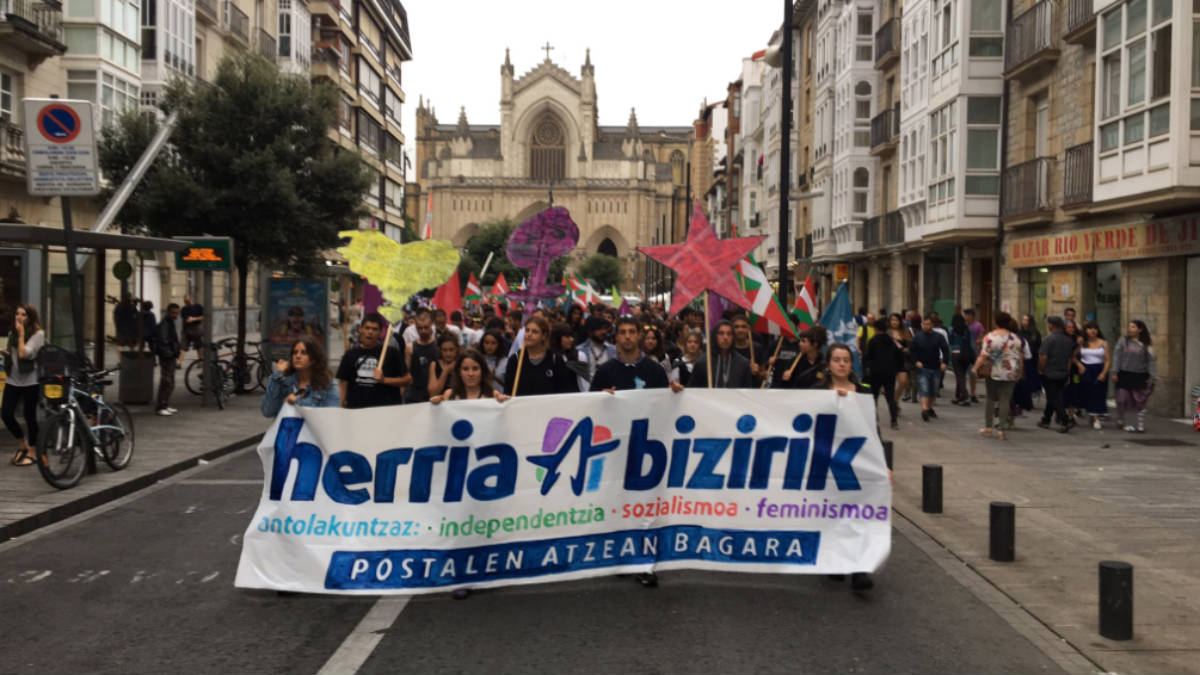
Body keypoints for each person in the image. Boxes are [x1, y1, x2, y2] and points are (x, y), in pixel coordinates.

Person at [821, 342, 877, 592]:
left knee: (859, 514)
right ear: (829, 364)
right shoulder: (817, 391)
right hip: (828, 460)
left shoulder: (864, 391)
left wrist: (883, 464)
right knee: (834, 513)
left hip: (859, 460)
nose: (842, 363)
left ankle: (860, 569)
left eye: (846, 359)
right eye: (836, 359)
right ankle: (834, 559)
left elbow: (874, 430)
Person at [335, 312, 411, 409]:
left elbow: (408, 380)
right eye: (367, 328)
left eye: (375, 329)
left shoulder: (392, 353)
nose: (370, 332)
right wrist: (341, 406)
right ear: (360, 329)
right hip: (357, 412)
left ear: (380, 332)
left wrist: (385, 380)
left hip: (384, 412)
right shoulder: (350, 355)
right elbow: (343, 383)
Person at [2, 304, 44, 466]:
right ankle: (22, 443)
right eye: (17, 313)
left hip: (30, 381)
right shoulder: (13, 332)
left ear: (30, 318)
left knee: (29, 416)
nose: (19, 317)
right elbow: (13, 354)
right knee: (6, 414)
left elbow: (23, 353)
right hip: (13, 379)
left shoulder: (38, 334)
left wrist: (21, 335)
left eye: (24, 315)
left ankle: (33, 450)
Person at [974, 312, 1025, 440]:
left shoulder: (990, 337)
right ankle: (1001, 429)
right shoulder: (1015, 338)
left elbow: (983, 355)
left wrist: (975, 368)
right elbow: (1020, 357)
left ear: (995, 322)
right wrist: (1020, 371)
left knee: (991, 398)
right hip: (1010, 372)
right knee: (1005, 400)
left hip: (994, 371)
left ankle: (988, 427)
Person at [261, 336, 341, 416]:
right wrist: (277, 375)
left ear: (314, 359)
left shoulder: (328, 385)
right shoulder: (283, 380)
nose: (298, 356)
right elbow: (268, 412)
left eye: (304, 353)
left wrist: (298, 402)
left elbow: (330, 417)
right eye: (295, 353)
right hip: (288, 427)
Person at [504, 316, 580, 396]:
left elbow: (565, 390)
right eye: (527, 330)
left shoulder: (555, 359)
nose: (529, 334)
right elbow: (508, 391)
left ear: (544, 336)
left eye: (535, 332)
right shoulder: (515, 359)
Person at [1112, 320, 1156, 433]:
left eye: (1133, 327)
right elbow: (1117, 356)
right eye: (1129, 327)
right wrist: (1114, 372)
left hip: (1140, 375)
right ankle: (1121, 418)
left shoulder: (1146, 344)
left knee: (1140, 401)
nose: (1130, 329)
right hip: (1124, 374)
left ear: (1140, 329)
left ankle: (1141, 425)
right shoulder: (1123, 341)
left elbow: (1151, 360)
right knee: (1121, 399)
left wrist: (1152, 376)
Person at [687, 321, 755, 389]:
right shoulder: (703, 362)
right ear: (714, 336)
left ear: (733, 337)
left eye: (729, 334)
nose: (725, 337)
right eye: (721, 333)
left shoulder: (743, 363)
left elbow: (747, 392)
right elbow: (692, 390)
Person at [864, 317, 904, 429]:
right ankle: (894, 421)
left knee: (874, 397)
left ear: (876, 328)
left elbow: (868, 357)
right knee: (890, 398)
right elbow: (899, 356)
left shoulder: (873, 341)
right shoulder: (892, 341)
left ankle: (873, 420)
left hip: (875, 373)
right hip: (889, 373)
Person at [1037, 316, 1075, 433]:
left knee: (1053, 398)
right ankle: (1046, 419)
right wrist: (1067, 373)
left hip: (1050, 373)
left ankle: (1065, 420)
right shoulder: (1068, 341)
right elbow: (1069, 359)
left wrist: (1040, 369)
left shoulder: (1049, 340)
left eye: (1049, 324)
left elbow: (1043, 357)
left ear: (1051, 326)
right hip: (1063, 373)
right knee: (1053, 396)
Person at [911, 316, 949, 422]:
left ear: (932, 325)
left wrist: (945, 362)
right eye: (924, 324)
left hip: (936, 367)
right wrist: (916, 361)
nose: (926, 326)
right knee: (924, 389)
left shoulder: (939, 337)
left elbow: (945, 350)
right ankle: (924, 409)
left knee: (933, 390)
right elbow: (912, 351)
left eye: (928, 324)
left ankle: (929, 407)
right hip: (922, 368)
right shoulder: (918, 337)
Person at [1076, 321, 1111, 430]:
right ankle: (1094, 416)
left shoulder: (1103, 343)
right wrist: (1080, 365)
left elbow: (1108, 360)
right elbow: (1073, 356)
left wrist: (1104, 373)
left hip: (1099, 369)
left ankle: (1095, 416)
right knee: (1089, 392)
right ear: (1085, 331)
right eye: (1089, 328)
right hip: (1086, 369)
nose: (1092, 331)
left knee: (1098, 393)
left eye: (1095, 328)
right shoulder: (1081, 342)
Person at [154, 303, 183, 416]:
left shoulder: (169, 323)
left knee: (170, 382)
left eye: (177, 313)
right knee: (167, 382)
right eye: (173, 313)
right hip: (167, 356)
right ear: (168, 312)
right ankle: (161, 406)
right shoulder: (165, 324)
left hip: (169, 355)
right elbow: (164, 341)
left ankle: (165, 404)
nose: (175, 315)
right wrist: (170, 354)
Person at [404, 310, 438, 403]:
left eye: (426, 327)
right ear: (415, 327)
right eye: (420, 328)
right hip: (414, 395)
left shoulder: (438, 346)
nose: (423, 331)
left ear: (431, 325)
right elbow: (406, 373)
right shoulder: (410, 348)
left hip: (434, 394)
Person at [576, 314, 616, 391]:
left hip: (609, 392)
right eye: (599, 329)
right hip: (589, 393)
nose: (603, 332)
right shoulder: (580, 351)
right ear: (590, 332)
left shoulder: (613, 350)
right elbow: (581, 379)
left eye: (604, 328)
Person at [948, 314, 976, 406]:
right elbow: (972, 343)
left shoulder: (952, 330)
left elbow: (950, 342)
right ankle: (958, 396)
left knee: (959, 376)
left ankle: (964, 395)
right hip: (966, 354)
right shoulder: (968, 329)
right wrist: (973, 355)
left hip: (956, 353)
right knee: (962, 375)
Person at [427, 333, 463, 402]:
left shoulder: (462, 363)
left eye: (451, 350)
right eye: (445, 350)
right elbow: (433, 393)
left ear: (457, 349)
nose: (448, 354)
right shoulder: (434, 364)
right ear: (440, 350)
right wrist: (446, 371)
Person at [886, 314, 912, 406]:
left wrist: (906, 350)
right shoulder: (887, 332)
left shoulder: (905, 331)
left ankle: (895, 400)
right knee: (890, 385)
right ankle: (893, 404)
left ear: (900, 321)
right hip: (889, 360)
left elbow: (910, 346)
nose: (894, 322)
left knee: (903, 382)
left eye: (896, 320)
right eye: (892, 320)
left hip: (902, 360)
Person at [963, 308, 985, 403]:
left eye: (967, 315)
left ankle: (973, 393)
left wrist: (976, 342)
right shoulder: (963, 325)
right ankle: (963, 392)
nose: (966, 317)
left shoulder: (978, 325)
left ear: (972, 316)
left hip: (973, 352)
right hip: (964, 351)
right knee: (963, 374)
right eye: (965, 315)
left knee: (972, 374)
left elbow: (983, 337)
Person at [180, 295, 205, 363]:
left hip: (196, 328)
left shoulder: (198, 307)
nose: (186, 303)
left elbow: (203, 317)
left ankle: (201, 361)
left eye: (187, 301)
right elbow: (183, 320)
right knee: (183, 346)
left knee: (199, 346)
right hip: (186, 329)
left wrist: (194, 319)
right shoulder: (183, 309)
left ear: (191, 299)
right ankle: (179, 363)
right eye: (185, 302)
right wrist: (182, 329)